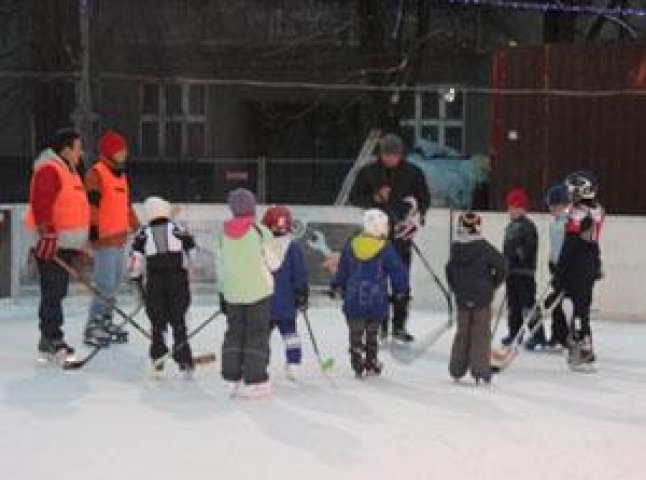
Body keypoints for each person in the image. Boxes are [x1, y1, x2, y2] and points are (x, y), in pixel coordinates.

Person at [349, 133, 430, 343]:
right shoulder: (368, 172)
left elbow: (424, 200)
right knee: (378, 280)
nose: (391, 159)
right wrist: (374, 198)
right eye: (387, 155)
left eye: (395, 155)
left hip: (402, 235)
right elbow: (354, 197)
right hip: (375, 236)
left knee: (401, 280)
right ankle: (380, 324)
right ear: (381, 154)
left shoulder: (413, 172)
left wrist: (414, 223)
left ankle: (400, 325)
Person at [25, 129, 89, 361]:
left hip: (66, 244)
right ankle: (52, 337)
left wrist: (82, 244)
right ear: (66, 149)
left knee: (58, 291)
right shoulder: (50, 170)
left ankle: (50, 336)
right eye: (78, 147)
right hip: (51, 243)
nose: (81, 152)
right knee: (53, 291)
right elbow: (42, 201)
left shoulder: (70, 171)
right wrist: (47, 232)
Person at [329, 209, 409, 378]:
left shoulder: (351, 245)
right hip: (376, 299)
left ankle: (356, 349)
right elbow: (397, 271)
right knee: (372, 332)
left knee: (355, 329)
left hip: (353, 297)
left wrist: (337, 285)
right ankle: (371, 361)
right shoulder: (385, 247)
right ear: (379, 227)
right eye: (386, 225)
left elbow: (343, 270)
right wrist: (400, 290)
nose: (388, 228)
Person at [217, 189, 281, 398]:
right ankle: (255, 380)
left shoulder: (223, 234)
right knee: (257, 334)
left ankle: (231, 376)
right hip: (258, 292)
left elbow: (219, 265)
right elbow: (275, 262)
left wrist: (222, 291)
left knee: (234, 332)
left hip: (233, 293)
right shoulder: (260, 231)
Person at [129, 196, 196, 375]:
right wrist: (188, 266)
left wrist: (135, 277)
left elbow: (135, 257)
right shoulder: (178, 228)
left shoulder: (143, 233)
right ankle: (184, 357)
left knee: (157, 321)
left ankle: (158, 357)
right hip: (177, 279)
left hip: (155, 281)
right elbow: (191, 248)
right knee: (178, 319)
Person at [84, 131, 140, 348]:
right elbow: (92, 205)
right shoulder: (96, 174)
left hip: (119, 239)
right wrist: (94, 228)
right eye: (120, 150)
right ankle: (94, 324)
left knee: (114, 284)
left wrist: (138, 228)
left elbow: (126, 208)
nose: (125, 153)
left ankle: (106, 320)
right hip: (104, 239)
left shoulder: (121, 175)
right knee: (105, 284)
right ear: (109, 152)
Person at [446, 212, 507, 384]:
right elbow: (502, 265)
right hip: (482, 298)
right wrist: (492, 284)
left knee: (462, 333)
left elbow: (449, 271)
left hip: (463, 297)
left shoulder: (456, 248)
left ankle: (456, 369)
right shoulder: (484, 247)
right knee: (480, 334)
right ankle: (480, 371)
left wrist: (456, 289)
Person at [552, 171, 604, 370]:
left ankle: (580, 351)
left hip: (577, 266)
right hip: (589, 263)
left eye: (572, 191)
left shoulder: (577, 213)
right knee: (581, 308)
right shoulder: (598, 209)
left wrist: (559, 272)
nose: (569, 195)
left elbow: (570, 246)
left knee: (576, 309)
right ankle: (584, 349)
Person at [261, 205, 309, 381]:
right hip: (286, 303)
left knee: (262, 336)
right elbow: (300, 273)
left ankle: (260, 364)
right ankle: (294, 364)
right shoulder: (293, 248)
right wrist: (302, 293)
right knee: (290, 334)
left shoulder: (260, 245)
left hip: (264, 301)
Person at [501, 188, 541, 348]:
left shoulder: (528, 226)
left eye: (513, 208)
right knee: (513, 305)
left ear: (522, 208)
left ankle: (538, 334)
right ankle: (515, 333)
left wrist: (518, 256)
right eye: (509, 207)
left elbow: (528, 248)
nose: (510, 211)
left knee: (528, 305)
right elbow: (507, 248)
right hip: (511, 273)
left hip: (524, 273)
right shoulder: (510, 226)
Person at [545, 183, 571, 350]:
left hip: (567, 269)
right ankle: (558, 336)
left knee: (562, 303)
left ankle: (568, 336)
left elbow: (568, 247)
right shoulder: (554, 224)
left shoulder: (568, 223)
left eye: (553, 205)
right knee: (553, 303)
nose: (551, 209)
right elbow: (554, 247)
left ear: (563, 204)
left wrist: (564, 265)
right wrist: (551, 262)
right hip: (556, 268)